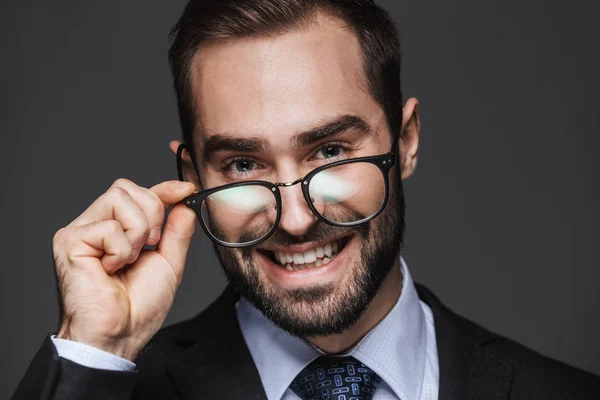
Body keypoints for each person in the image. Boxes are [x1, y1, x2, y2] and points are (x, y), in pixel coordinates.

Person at [13, 0, 600, 399]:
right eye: (243, 164)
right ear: (191, 177)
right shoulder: (109, 387)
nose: (294, 220)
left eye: (329, 151)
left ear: (406, 141)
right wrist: (96, 350)